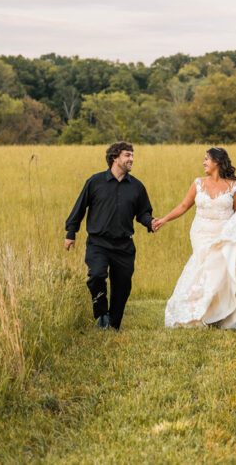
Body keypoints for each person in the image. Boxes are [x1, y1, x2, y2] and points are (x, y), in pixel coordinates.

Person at [154, 147, 236, 329]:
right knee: (201, 266)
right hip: (200, 232)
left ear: (217, 162)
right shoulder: (198, 183)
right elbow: (183, 206)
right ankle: (194, 313)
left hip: (222, 235)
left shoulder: (235, 188)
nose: (204, 162)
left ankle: (215, 315)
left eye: (207, 159)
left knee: (218, 274)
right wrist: (164, 219)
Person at [65, 141, 157, 330]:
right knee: (96, 276)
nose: (131, 159)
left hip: (124, 246)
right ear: (115, 157)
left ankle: (114, 324)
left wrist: (150, 222)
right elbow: (80, 207)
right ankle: (101, 314)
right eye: (127, 155)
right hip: (98, 243)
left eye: (132, 155)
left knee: (122, 286)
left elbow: (143, 213)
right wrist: (71, 232)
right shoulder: (95, 181)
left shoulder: (137, 187)